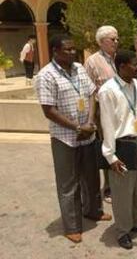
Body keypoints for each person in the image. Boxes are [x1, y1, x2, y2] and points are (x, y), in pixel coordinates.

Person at [34, 34, 111, 244]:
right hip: (65, 139)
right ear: (55, 51)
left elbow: (91, 95)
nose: (72, 52)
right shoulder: (46, 75)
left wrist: (88, 123)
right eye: (67, 49)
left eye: (72, 49)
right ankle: (72, 226)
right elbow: (49, 110)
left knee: (91, 177)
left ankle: (94, 211)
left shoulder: (79, 68)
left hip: (87, 135)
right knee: (69, 184)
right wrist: (78, 127)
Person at [98, 50, 137, 249]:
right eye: (134, 64)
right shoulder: (108, 90)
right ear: (121, 66)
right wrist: (110, 156)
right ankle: (123, 230)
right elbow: (106, 124)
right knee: (122, 192)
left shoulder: (136, 83)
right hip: (122, 146)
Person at [84, 25, 119, 204]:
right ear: (101, 41)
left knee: (120, 148)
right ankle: (108, 188)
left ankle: (120, 184)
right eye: (113, 39)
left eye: (117, 39)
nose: (116, 42)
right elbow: (87, 91)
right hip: (103, 114)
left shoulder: (118, 59)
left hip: (121, 113)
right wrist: (91, 118)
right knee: (108, 148)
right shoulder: (92, 61)